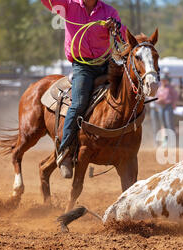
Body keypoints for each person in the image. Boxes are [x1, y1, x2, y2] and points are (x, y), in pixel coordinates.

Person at [41, 0, 126, 178]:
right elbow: (49, 2)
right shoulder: (69, 7)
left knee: (126, 92)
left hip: (105, 63)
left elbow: (122, 38)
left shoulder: (109, 11)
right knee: (78, 103)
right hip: (83, 67)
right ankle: (64, 152)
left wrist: (115, 26)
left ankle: (125, 143)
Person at [155, 76, 178, 146]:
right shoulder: (159, 88)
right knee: (164, 124)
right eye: (162, 80)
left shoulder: (170, 88)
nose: (163, 81)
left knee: (169, 123)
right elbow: (155, 97)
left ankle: (172, 140)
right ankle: (166, 140)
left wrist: (174, 104)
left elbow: (175, 96)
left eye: (164, 80)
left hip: (168, 106)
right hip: (161, 107)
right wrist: (158, 101)